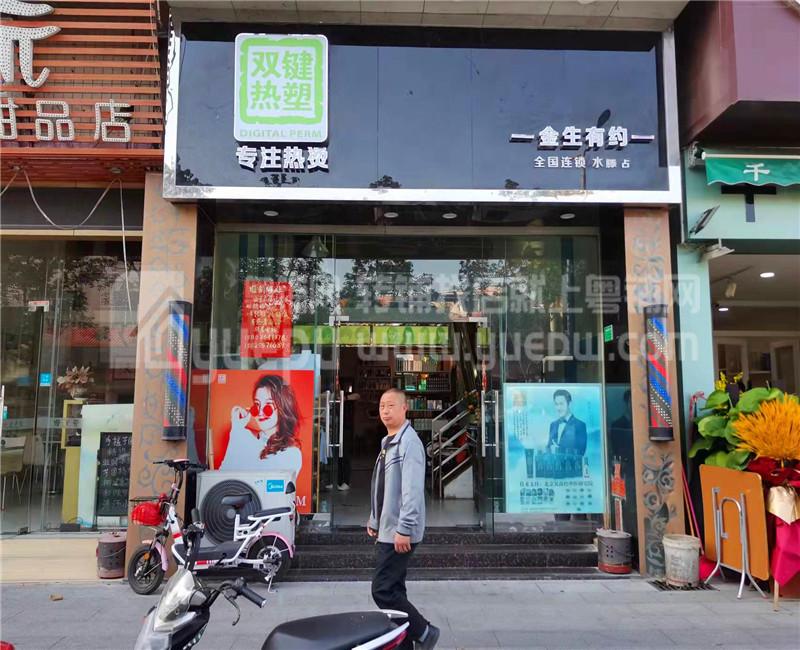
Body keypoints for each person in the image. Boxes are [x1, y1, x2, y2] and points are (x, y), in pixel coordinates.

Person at [367, 388, 439, 650]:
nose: (385, 411)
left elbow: (412, 490)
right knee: (394, 588)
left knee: (382, 589)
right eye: (382, 406)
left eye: (391, 405)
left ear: (404, 408)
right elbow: (382, 486)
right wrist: (374, 519)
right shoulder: (389, 441)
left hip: (399, 530)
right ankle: (405, 641)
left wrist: (404, 529)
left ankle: (425, 632)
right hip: (388, 527)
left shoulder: (409, 443)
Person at [220, 374, 302, 477]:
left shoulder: (291, 453)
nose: (260, 412)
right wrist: (236, 430)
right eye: (257, 405)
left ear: (283, 408)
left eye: (268, 406)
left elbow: (263, 481)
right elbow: (222, 477)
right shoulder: (243, 436)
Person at [546, 389, 587, 458]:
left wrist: (558, 450)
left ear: (569, 404)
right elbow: (548, 447)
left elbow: (580, 452)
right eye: (556, 404)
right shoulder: (553, 425)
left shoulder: (580, 425)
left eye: (561, 404)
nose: (558, 408)